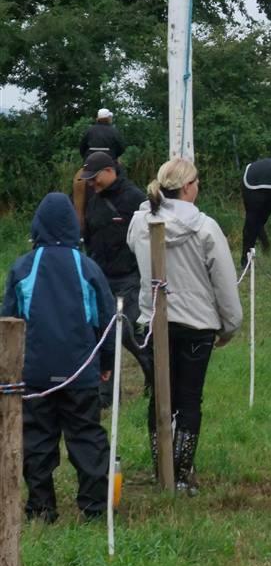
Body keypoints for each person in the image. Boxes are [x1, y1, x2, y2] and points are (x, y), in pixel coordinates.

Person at [127, 158, 243, 494]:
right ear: (187, 187)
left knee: (160, 396)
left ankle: (161, 468)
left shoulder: (138, 223)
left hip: (154, 322)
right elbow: (224, 283)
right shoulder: (206, 227)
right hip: (195, 325)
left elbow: (136, 254)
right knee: (189, 399)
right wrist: (229, 326)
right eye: (197, 181)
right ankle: (177, 474)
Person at [2, 193, 115, 523]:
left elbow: (9, 320)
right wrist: (105, 364)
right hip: (80, 372)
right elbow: (107, 320)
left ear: (36, 227)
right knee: (86, 435)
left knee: (37, 438)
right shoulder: (88, 267)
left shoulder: (22, 268)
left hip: (34, 374)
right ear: (73, 226)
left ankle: (40, 509)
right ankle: (94, 509)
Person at [80, 150, 153, 405]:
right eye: (88, 179)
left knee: (130, 334)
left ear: (109, 172)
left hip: (129, 278)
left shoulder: (135, 198)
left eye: (94, 178)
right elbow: (89, 237)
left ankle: (153, 374)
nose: (91, 183)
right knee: (102, 336)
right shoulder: (94, 200)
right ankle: (107, 394)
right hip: (100, 279)